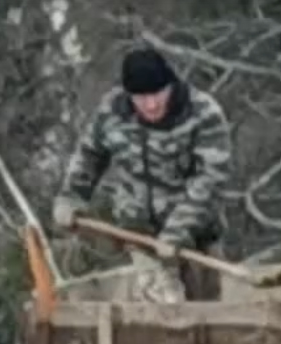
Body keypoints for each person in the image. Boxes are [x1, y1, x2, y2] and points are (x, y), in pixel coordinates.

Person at [51, 48, 233, 302]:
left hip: (197, 237)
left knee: (204, 311)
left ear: (171, 86)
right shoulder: (113, 112)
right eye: (141, 97)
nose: (151, 104)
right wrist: (71, 197)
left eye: (158, 94)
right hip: (139, 234)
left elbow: (211, 179)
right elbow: (89, 154)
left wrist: (178, 231)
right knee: (168, 306)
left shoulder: (203, 114)